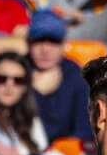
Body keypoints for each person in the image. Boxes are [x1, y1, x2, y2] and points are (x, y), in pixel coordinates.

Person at [27, 10, 92, 145]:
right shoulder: (15, 70)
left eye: (53, 41)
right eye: (38, 41)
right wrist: (36, 92)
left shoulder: (75, 74)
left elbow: (84, 131)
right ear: (28, 43)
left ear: (64, 44)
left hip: (65, 153)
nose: (45, 49)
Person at [0, 51, 49, 155]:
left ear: (25, 87)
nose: (9, 85)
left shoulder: (32, 120)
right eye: (2, 78)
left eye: (18, 80)